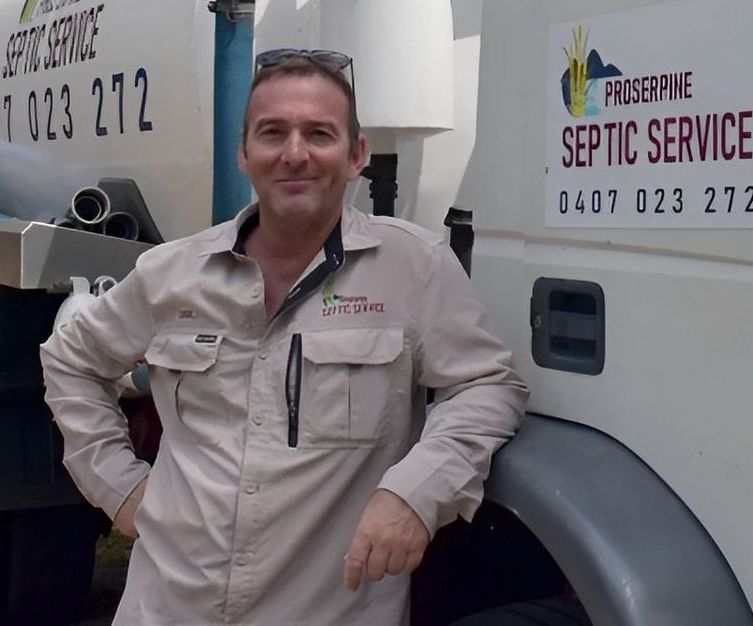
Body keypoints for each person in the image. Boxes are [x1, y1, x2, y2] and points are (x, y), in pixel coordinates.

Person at [40, 49, 527, 625]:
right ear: (245, 154)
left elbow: (487, 388)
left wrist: (416, 493)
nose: (295, 154)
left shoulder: (415, 268)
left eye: (319, 133)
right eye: (273, 133)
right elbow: (71, 362)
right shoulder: (171, 274)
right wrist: (120, 489)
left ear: (357, 155)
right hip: (168, 608)